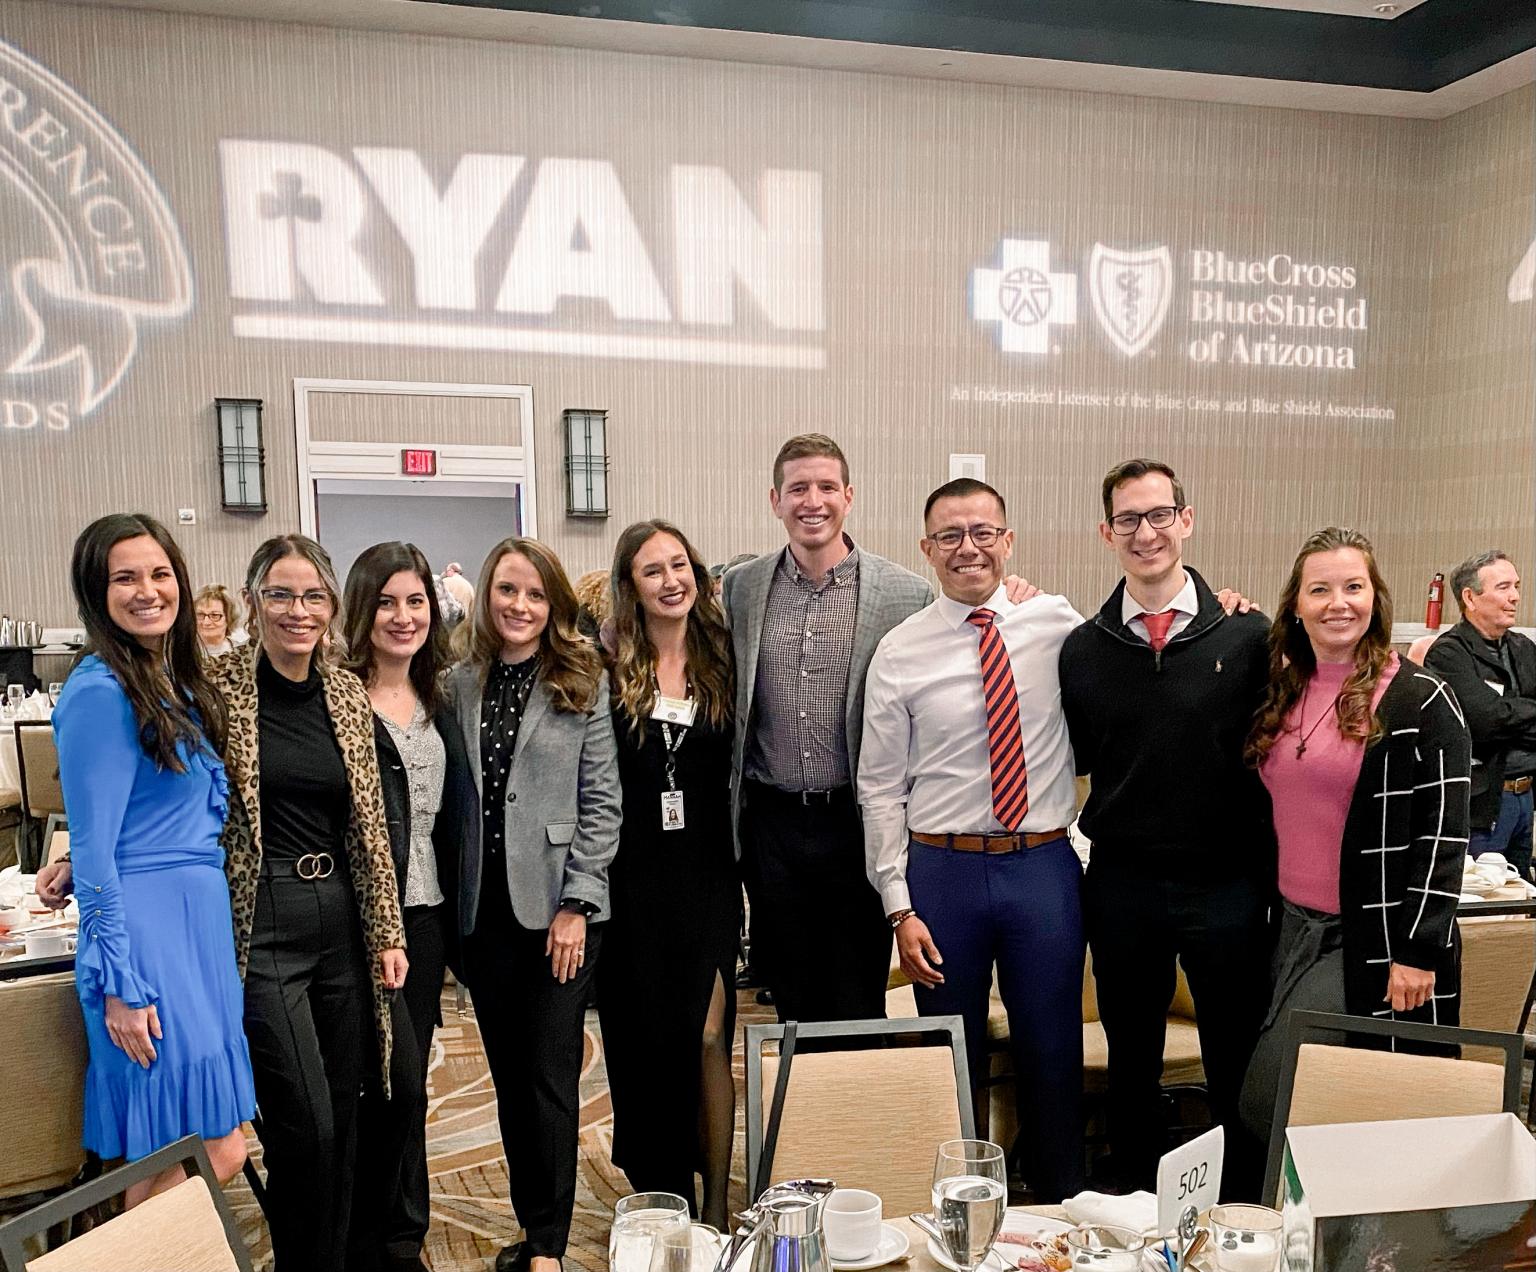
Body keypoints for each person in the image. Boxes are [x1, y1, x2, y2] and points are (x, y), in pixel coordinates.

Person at [859, 478, 1086, 1203]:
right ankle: (958, 1205)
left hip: (1042, 866)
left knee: (1052, 1049)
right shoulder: (900, 650)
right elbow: (879, 788)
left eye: (984, 531)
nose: (969, 548)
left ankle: (1058, 1204)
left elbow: (1131, 678)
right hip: (943, 875)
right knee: (947, 1052)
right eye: (951, 535)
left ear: (1008, 541)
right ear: (927, 550)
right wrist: (899, 905)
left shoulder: (1057, 623)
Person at [1057, 458, 1274, 1198]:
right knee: (1131, 1057)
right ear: (1106, 533)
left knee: (1234, 1053)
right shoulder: (1083, 649)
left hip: (1226, 882)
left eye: (1158, 515)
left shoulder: (1248, 638)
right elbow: (1084, 755)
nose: (1144, 533)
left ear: (1186, 519)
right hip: (1124, 881)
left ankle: (1241, 1202)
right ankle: (1135, 1203)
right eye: (1128, 520)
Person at [210, 535, 408, 1272]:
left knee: (350, 1117)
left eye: (313, 596)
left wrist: (387, 928)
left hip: (342, 924)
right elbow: (162, 786)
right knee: (307, 1128)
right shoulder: (216, 686)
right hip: (261, 926)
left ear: (331, 607)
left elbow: (368, 830)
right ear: (253, 599)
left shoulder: (345, 692)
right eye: (281, 595)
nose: (299, 611)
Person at [1238, 528, 1470, 1138]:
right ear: (1296, 604)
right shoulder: (1283, 693)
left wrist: (1420, 953)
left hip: (1374, 935)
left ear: (1375, 598)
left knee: (1274, 1097)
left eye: (1353, 587)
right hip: (1289, 927)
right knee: (1320, 1104)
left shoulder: (1420, 700)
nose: (1338, 603)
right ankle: (1299, 1225)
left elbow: (1444, 837)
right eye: (1320, 589)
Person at [52, 514, 254, 1206]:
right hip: (145, 945)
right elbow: (99, 846)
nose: (147, 591)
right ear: (95, 591)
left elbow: (140, 816)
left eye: (160, 574)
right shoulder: (99, 691)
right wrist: (119, 982)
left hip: (199, 932)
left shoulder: (167, 679)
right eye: (125, 578)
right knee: (210, 1146)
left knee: (192, 1145)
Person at [441, 537, 621, 1272]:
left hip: (559, 915)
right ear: (486, 597)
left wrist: (579, 901)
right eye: (507, 590)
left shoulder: (584, 680)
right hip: (481, 914)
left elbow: (603, 803)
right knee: (510, 1077)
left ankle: (547, 1245)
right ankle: (529, 1223)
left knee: (549, 1075)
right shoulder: (457, 682)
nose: (519, 606)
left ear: (556, 605)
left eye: (535, 594)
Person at [722, 434, 930, 1023]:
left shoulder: (904, 594)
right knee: (790, 995)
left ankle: (855, 1113)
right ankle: (804, 1116)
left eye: (826, 487)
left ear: (849, 496)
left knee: (856, 993)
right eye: (797, 489)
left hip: (856, 822)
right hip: (772, 825)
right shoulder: (742, 588)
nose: (812, 501)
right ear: (775, 500)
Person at [597, 520, 738, 1228]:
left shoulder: (725, 660)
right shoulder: (605, 670)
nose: (670, 580)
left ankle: (714, 1202)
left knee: (709, 1036)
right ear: (631, 586)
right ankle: (661, 1192)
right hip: (631, 884)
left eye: (679, 564)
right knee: (646, 1042)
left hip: (709, 877)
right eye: (652, 570)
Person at [341, 542, 475, 1272]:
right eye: (387, 602)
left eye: (416, 601)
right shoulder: (335, 695)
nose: (403, 616)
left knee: (409, 1079)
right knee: (374, 1082)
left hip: (426, 917)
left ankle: (402, 1236)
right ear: (363, 609)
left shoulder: (442, 694)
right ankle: (371, 1236)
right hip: (356, 919)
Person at [1425, 551, 1535, 879]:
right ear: (1470, 598)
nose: (1514, 596)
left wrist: (1509, 715)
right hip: (1481, 803)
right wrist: (1515, 715)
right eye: (1503, 587)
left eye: (1516, 586)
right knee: (1479, 901)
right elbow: (1485, 720)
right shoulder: (1448, 653)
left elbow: (1499, 716)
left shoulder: (1523, 648)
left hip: (1525, 799)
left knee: (1521, 902)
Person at [194, 584, 243, 658]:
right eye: (200, 615)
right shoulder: (183, 653)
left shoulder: (242, 653)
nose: (206, 622)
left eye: (214, 615)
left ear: (229, 618)